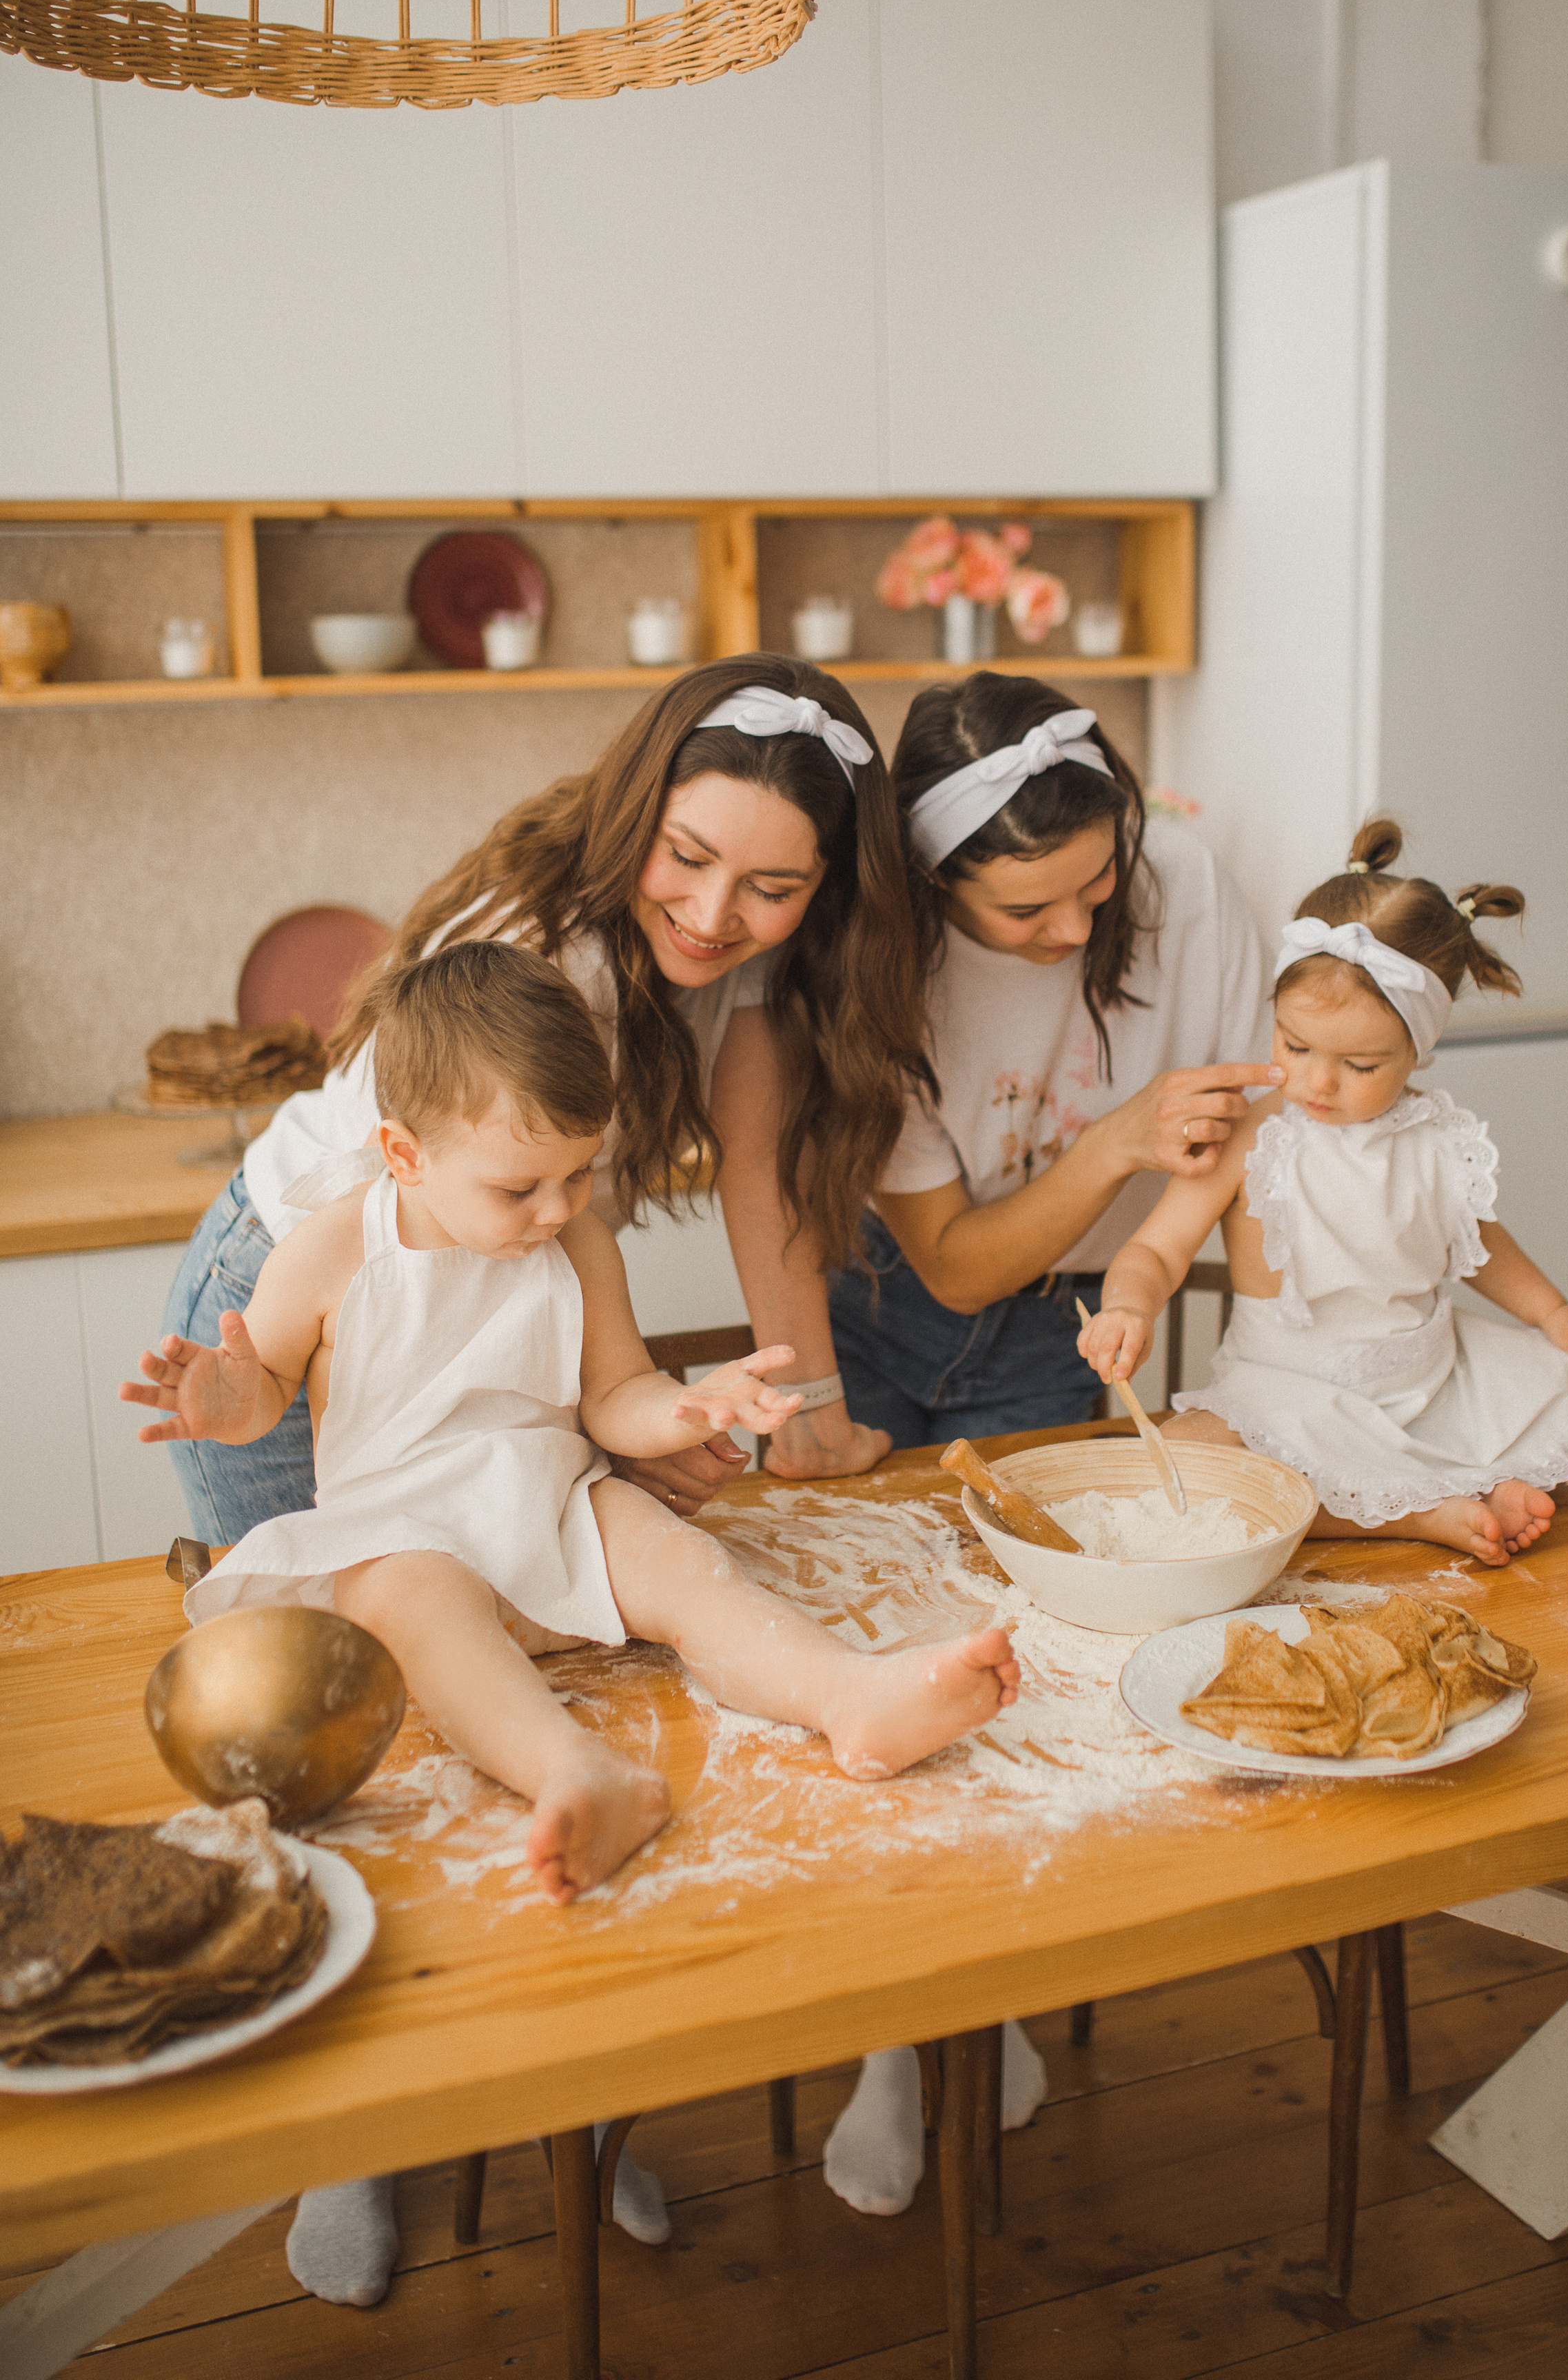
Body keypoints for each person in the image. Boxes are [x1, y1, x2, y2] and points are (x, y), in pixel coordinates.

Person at [126, 944, 1019, 1888]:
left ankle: (851, 1696)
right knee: (410, 1607)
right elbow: (262, 1388)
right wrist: (230, 1398)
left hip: (554, 1507)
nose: (557, 1209)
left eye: (580, 1172)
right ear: (405, 1154)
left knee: (683, 1563)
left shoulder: (577, 1241)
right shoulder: (333, 1246)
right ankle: (576, 1772)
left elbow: (615, 1396)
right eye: (520, 1187)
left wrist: (686, 1406)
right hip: (403, 1533)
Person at [819, 674, 1279, 2218]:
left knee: (1014, 1673)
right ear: (933, 883)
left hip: (1066, 1322)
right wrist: (1112, 1139)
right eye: (1026, 910)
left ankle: (982, 2003)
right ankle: (895, 2027)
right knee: (876, 1662)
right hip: (886, 1308)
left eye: (1098, 884)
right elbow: (951, 1262)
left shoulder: (1188, 889)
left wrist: (1145, 1266)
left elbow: (1226, 1136)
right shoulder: (871, 967)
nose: (1078, 930)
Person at [161, 654, 930, 1556]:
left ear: (824, 886)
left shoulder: (758, 964)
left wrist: (803, 1414)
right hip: (301, 1288)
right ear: (637, 811)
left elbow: (759, 1169)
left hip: (490, 1275)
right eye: (686, 856)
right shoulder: (543, 952)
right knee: (322, 1636)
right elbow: (437, 1261)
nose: (714, 914)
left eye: (773, 890)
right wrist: (608, 1426)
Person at [1077, 820, 1568, 1564]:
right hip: (1287, 1399)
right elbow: (1157, 1248)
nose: (1317, 1082)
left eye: (1359, 1063)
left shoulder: (1438, 1139)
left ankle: (1457, 1484)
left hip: (1431, 1389)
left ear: (1417, 1049)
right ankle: (1428, 1510)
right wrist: (1128, 1303)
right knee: (1182, 1463)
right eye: (1295, 1046)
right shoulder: (1252, 1136)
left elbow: (1476, 1245)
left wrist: (1551, 1311)